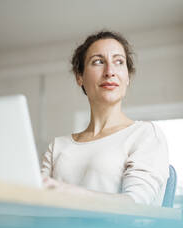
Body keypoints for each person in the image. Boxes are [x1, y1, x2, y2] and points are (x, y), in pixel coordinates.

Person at [41, 30, 169, 206]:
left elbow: (136, 205)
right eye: (98, 62)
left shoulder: (145, 134)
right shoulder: (57, 147)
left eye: (119, 62)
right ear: (80, 77)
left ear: (127, 77)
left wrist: (69, 192)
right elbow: (36, 205)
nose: (110, 71)